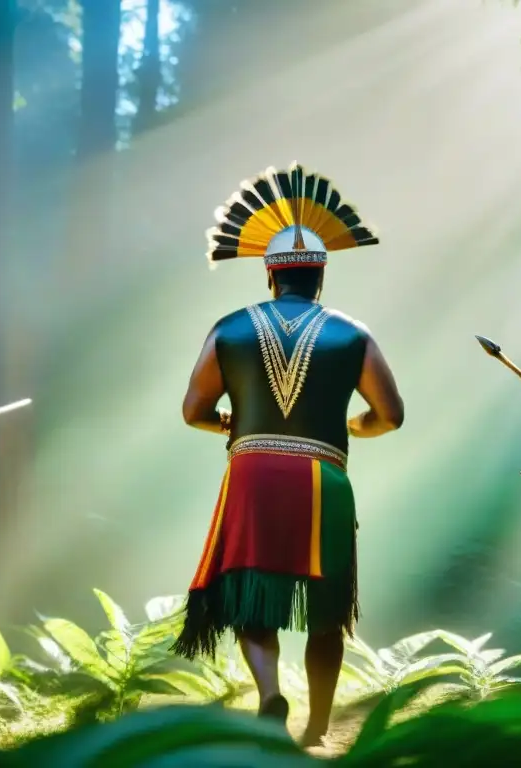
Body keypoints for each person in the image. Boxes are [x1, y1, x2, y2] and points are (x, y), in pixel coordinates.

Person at [170, 163, 404, 747]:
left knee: (255, 593)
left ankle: (271, 692)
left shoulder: (228, 328)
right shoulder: (354, 333)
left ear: (270, 277)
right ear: (319, 277)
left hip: (251, 473)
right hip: (324, 476)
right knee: (326, 604)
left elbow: (192, 410)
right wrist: (355, 426)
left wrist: (229, 421)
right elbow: (391, 414)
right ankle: (320, 725)